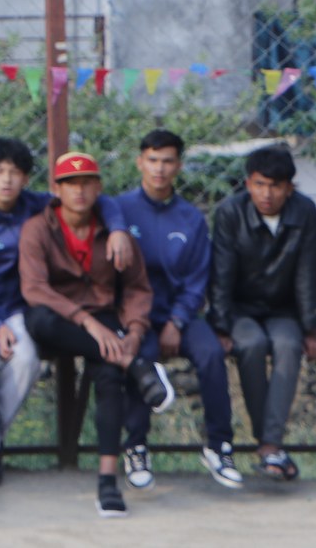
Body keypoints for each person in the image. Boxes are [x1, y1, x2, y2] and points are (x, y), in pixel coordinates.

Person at [0, 136, 135, 486]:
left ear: (26, 178)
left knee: (27, 361)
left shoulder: (36, 206)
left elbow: (95, 199)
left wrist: (119, 228)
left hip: (17, 305)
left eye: (15, 172)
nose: (7, 180)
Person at [18, 152, 170, 519]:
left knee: (107, 373)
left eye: (87, 183)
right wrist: (86, 322)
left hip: (105, 319)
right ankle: (135, 364)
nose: (79, 191)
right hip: (60, 317)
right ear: (56, 189)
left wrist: (134, 330)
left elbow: (137, 288)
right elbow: (35, 288)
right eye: (70, 184)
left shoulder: (115, 232)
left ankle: (107, 479)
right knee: (40, 322)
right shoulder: (38, 228)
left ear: (98, 187)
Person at [114, 129, 241, 490]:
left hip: (179, 315)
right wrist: (135, 321)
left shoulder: (191, 219)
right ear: (140, 162)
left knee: (211, 353)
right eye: (153, 160)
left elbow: (197, 280)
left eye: (168, 161)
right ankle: (136, 447)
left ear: (179, 166)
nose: (159, 169)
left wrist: (178, 320)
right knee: (141, 356)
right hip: (135, 318)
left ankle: (219, 446)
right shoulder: (119, 210)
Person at [207, 143, 316, 482]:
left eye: (275, 186)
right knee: (250, 345)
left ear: (289, 188)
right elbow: (221, 274)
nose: (266, 194)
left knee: (288, 345)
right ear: (248, 184)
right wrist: (221, 326)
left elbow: (309, 272)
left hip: (283, 309)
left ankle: (270, 445)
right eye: (259, 184)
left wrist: (312, 329)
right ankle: (268, 443)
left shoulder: (304, 211)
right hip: (239, 309)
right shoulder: (230, 212)